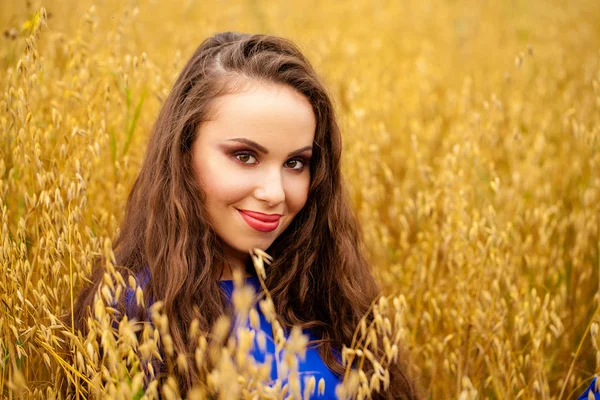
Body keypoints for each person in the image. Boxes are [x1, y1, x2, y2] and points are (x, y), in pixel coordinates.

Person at [68, 32, 421, 399]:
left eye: (296, 163)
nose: (275, 193)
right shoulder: (134, 313)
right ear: (184, 153)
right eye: (245, 156)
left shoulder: (329, 292)